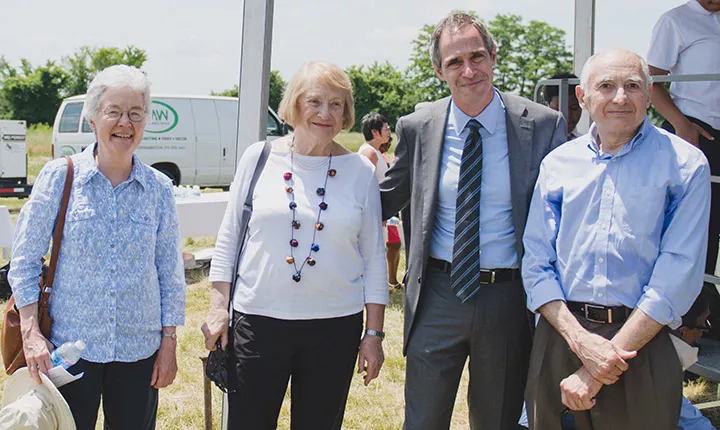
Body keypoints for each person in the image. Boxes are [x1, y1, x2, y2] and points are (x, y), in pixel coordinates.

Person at [379, 12, 567, 429]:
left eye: (477, 56)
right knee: (423, 420)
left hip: (507, 298)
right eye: (454, 62)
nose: (469, 71)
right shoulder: (418, 128)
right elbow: (381, 201)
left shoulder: (542, 126)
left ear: (494, 55)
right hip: (437, 297)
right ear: (438, 69)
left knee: (496, 420)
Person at [523, 48, 710, 429]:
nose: (620, 97)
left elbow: (677, 274)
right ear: (583, 97)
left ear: (650, 91)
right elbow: (536, 261)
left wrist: (599, 366)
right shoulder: (558, 164)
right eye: (606, 86)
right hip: (561, 337)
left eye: (632, 86)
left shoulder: (686, 165)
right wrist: (579, 341)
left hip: (642, 345)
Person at [201, 61, 388, 429]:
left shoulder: (360, 172)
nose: (325, 113)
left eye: (336, 104)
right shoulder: (259, 158)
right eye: (315, 101)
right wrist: (218, 308)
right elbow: (228, 239)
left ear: (347, 112)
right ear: (295, 104)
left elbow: (374, 259)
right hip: (258, 322)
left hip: (334, 328)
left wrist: (374, 334)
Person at [8, 65, 186, 429]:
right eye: (114, 112)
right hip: (69, 351)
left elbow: (170, 273)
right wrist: (31, 333)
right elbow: (24, 260)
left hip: (139, 350)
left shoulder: (158, 189)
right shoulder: (61, 176)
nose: (125, 122)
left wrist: (169, 343)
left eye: (136, 113)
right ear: (93, 119)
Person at [647, 0, 720, 341]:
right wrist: (682, 125)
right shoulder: (676, 20)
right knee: (699, 228)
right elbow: (650, 82)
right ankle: (689, 326)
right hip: (697, 132)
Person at [358, 113, 402, 288]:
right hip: (372, 215)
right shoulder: (369, 153)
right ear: (375, 132)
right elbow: (362, 185)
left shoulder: (376, 152)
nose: (389, 131)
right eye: (386, 129)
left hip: (378, 213)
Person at [676, 293, 716, 430]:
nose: (703, 331)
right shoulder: (662, 369)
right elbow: (686, 417)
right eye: (702, 323)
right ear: (682, 331)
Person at [543, 72, 583, 140]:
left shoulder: (587, 144)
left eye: (574, 108)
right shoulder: (538, 143)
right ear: (548, 105)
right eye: (559, 108)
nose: (568, 115)